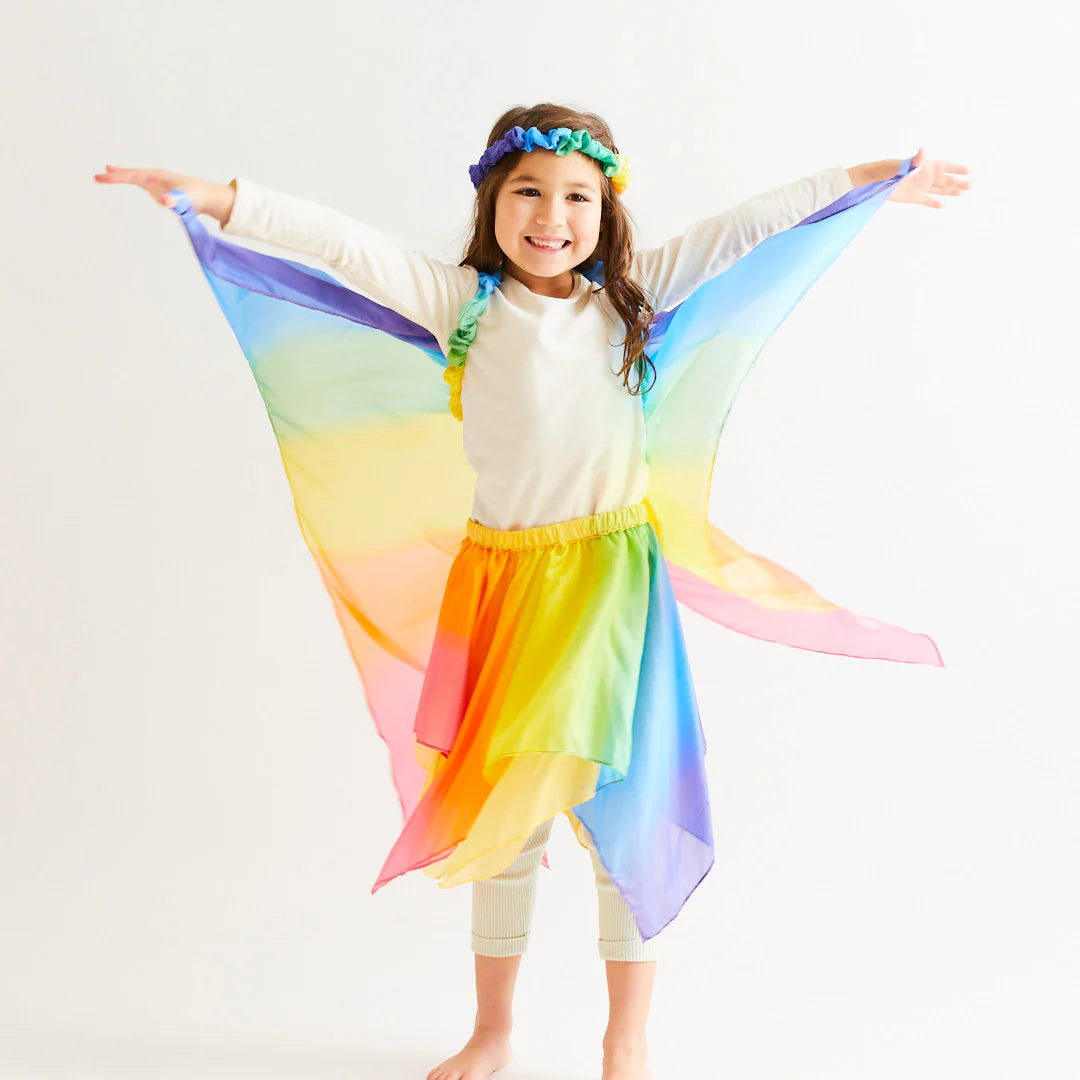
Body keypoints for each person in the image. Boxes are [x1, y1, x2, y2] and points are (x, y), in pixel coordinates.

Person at [95, 102, 968, 1080]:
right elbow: (337, 241)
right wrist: (217, 198)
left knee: (616, 807)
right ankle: (493, 1030)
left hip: (608, 589)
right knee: (504, 820)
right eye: (528, 193)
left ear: (606, 213)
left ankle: (625, 1035)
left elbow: (747, 225)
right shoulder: (461, 304)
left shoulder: (628, 302)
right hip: (503, 591)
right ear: (492, 201)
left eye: (576, 198)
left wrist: (872, 178)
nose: (551, 216)